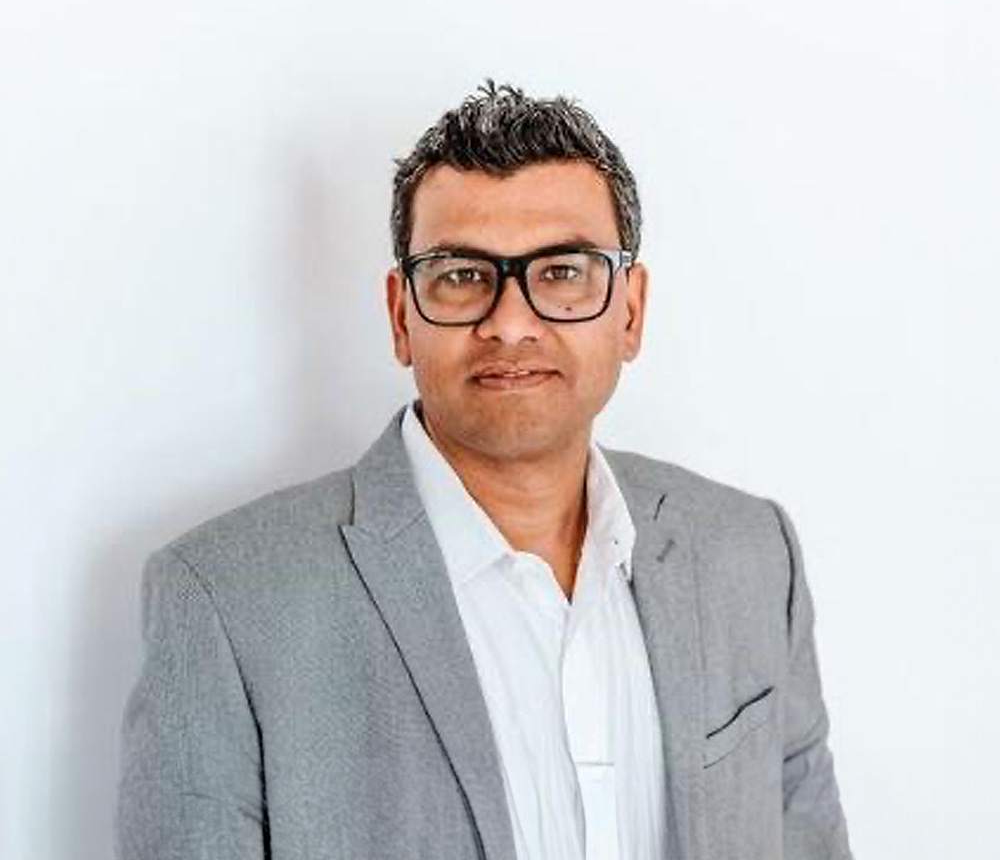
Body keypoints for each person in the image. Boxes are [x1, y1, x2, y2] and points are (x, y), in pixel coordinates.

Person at [115, 80, 853, 860]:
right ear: (402, 316)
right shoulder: (226, 600)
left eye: (564, 272)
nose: (510, 322)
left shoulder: (749, 553)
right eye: (462, 275)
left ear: (629, 312)